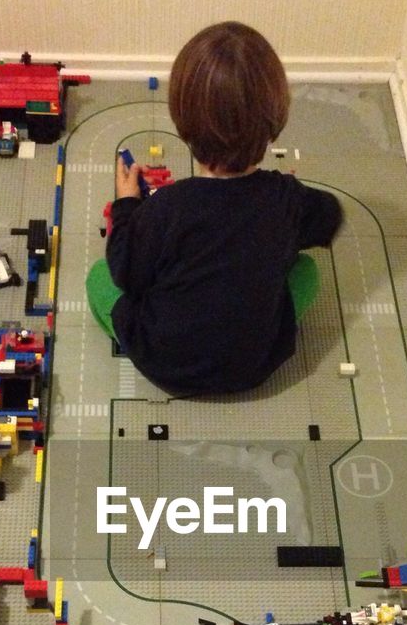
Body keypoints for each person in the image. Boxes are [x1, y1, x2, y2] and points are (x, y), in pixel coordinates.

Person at [86, 21, 342, 395]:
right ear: (275, 123)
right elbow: (329, 216)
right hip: (252, 365)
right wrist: (284, 206)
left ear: (183, 124)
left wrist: (127, 206)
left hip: (166, 363)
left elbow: (126, 272)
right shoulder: (286, 198)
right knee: (307, 272)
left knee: (98, 279)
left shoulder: (167, 208)